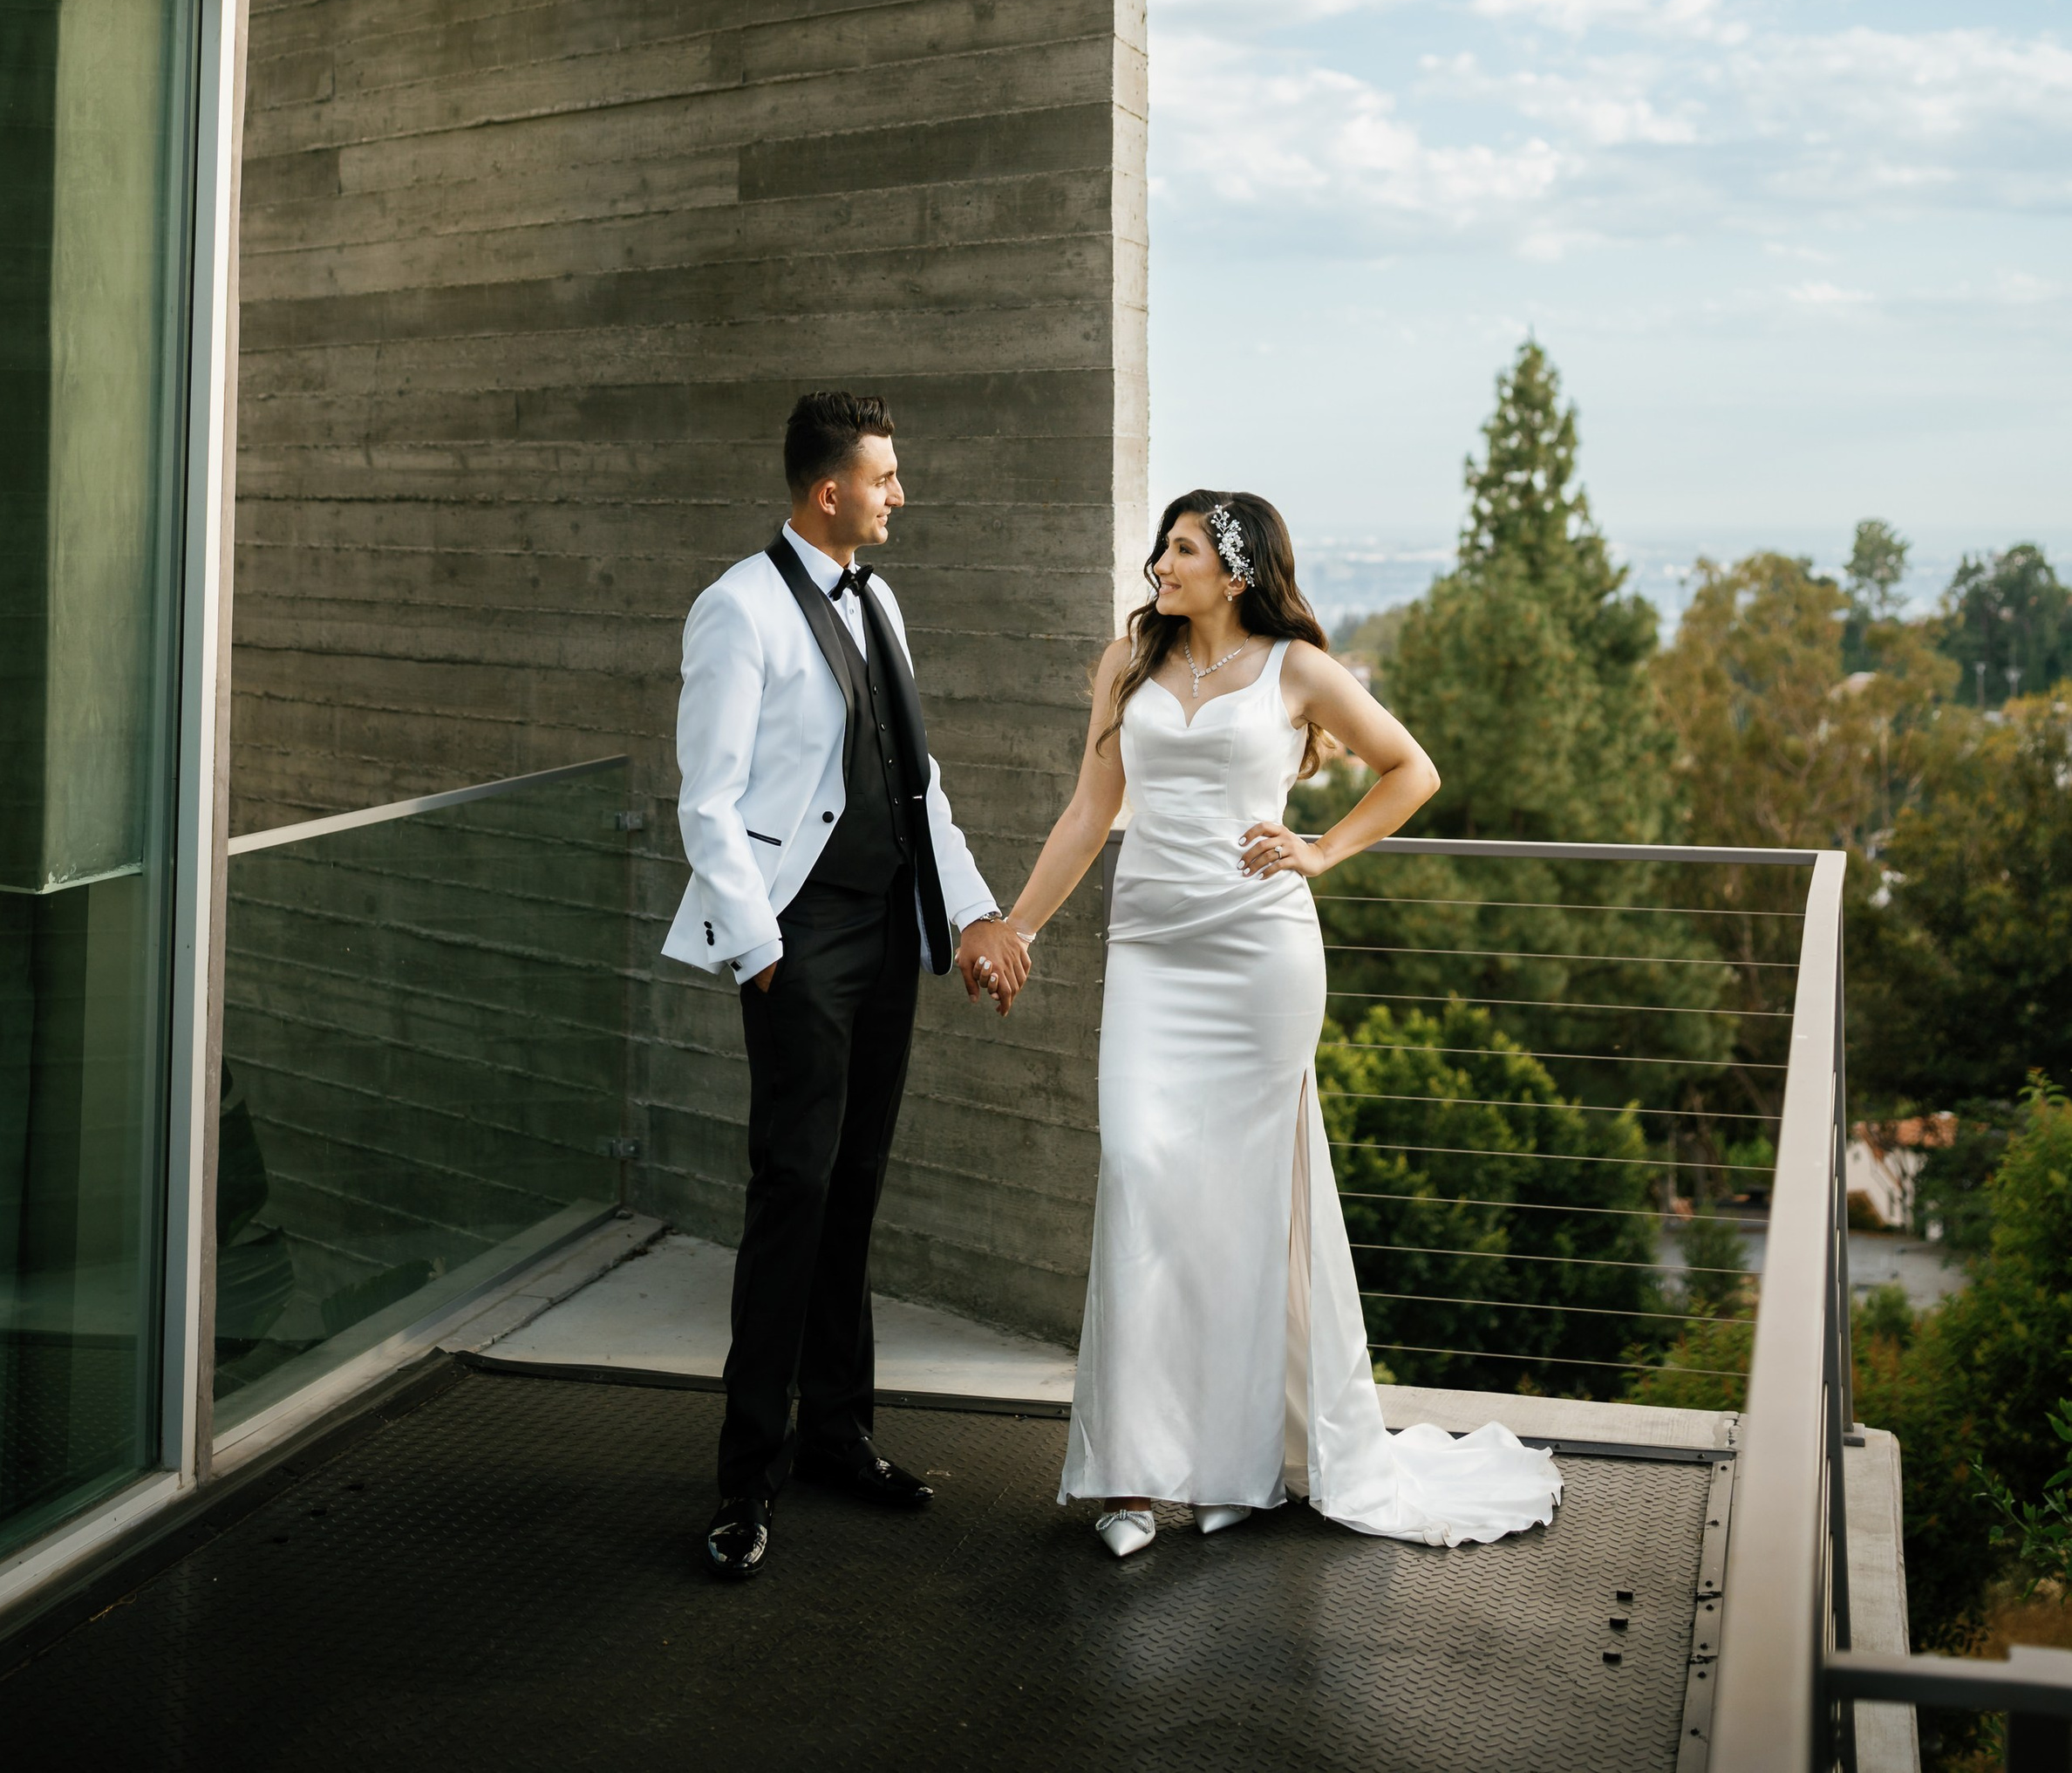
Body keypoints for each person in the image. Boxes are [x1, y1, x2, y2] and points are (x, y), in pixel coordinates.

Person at [999, 488, 1564, 1560]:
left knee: (1241, 1213)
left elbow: (1413, 770)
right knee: (1138, 1177)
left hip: (1261, 958)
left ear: (1235, 570)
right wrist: (1018, 925)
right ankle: (1128, 1478)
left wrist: (1320, 850)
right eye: (1162, 546)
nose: (1158, 563)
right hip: (1153, 955)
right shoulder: (1125, 668)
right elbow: (1089, 811)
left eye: (1177, 549)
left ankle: (1233, 1469)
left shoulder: (1295, 668)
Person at [665, 390, 1030, 1580]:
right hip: (799, 942)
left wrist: (971, 908)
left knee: (855, 1188)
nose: (898, 493)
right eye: (885, 476)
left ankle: (838, 1435)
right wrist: (759, 948)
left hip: (885, 940)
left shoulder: (880, 601)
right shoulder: (737, 609)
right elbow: (707, 800)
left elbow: (917, 786)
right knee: (792, 1195)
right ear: (832, 490)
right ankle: (744, 1479)